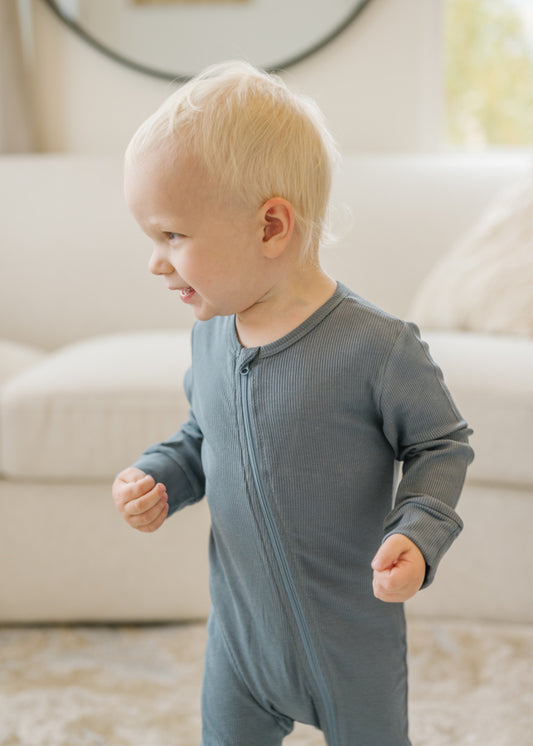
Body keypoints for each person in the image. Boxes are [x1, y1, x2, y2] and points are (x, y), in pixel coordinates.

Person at [112, 60, 473, 746]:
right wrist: (160, 474)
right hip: (240, 644)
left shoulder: (375, 347)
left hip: (350, 649)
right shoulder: (212, 335)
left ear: (270, 226)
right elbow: (204, 436)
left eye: (172, 236)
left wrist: (419, 535)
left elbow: (440, 443)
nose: (155, 263)